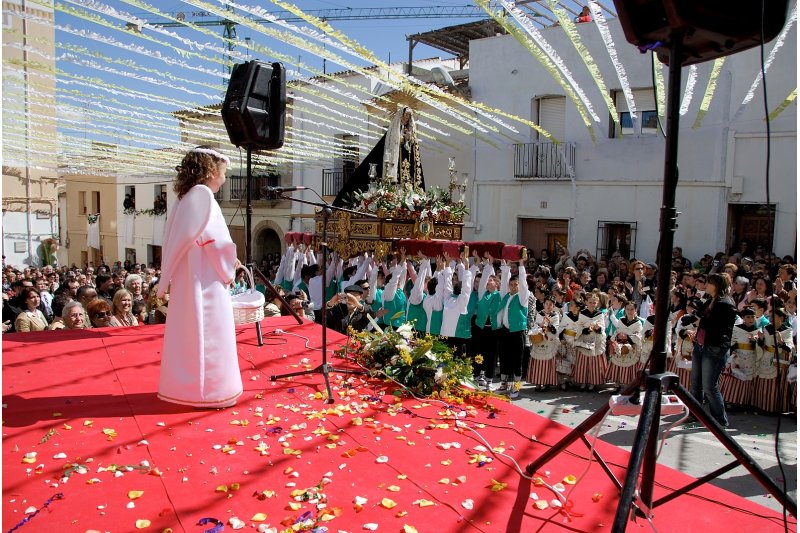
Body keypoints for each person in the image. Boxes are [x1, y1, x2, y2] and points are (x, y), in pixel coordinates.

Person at [156, 145, 243, 409]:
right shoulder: (204, 196)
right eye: (224, 172)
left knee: (190, 334)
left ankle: (188, 389)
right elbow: (215, 243)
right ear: (211, 170)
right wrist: (230, 267)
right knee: (209, 334)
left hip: (189, 277)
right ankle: (211, 392)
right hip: (206, 280)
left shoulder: (184, 198)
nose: (225, 178)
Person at [689, 273, 737, 427]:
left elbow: (719, 327)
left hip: (714, 348)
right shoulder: (710, 300)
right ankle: (695, 414)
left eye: (709, 283)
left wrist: (701, 321)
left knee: (709, 386)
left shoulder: (726, 303)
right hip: (701, 345)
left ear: (716, 285)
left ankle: (719, 420)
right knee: (695, 384)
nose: (706, 285)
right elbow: (700, 316)